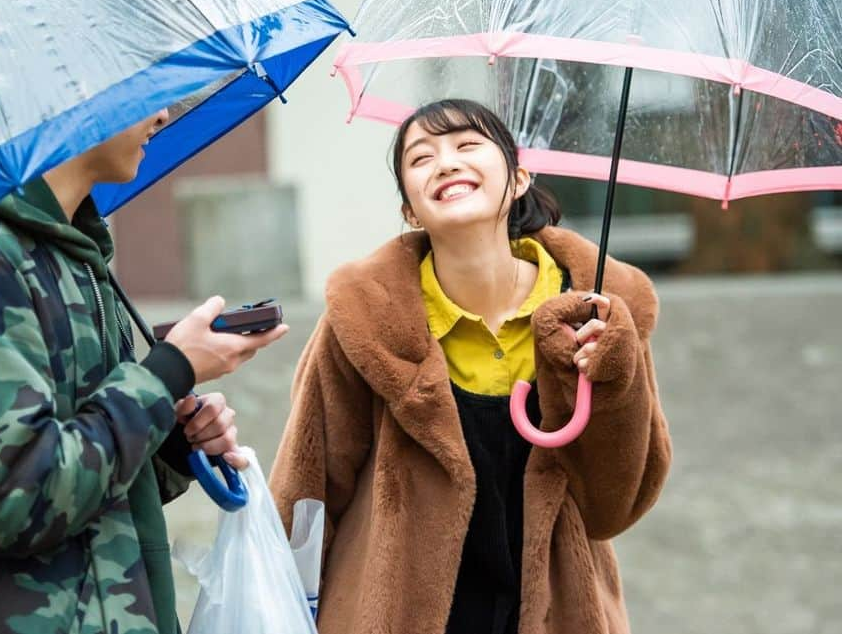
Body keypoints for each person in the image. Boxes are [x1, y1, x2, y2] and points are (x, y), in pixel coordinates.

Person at [270, 99, 671, 634]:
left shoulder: (597, 316)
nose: (446, 163)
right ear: (410, 210)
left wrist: (611, 376)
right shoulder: (366, 320)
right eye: (420, 158)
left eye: (467, 145)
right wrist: (280, 608)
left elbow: (613, 507)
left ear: (519, 178)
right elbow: (307, 487)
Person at [0, 108, 288, 634]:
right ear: (69, 92)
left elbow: (89, 481)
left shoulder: (71, 254)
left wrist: (173, 443)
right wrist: (168, 373)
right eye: (144, 88)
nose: (162, 113)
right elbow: (20, 500)